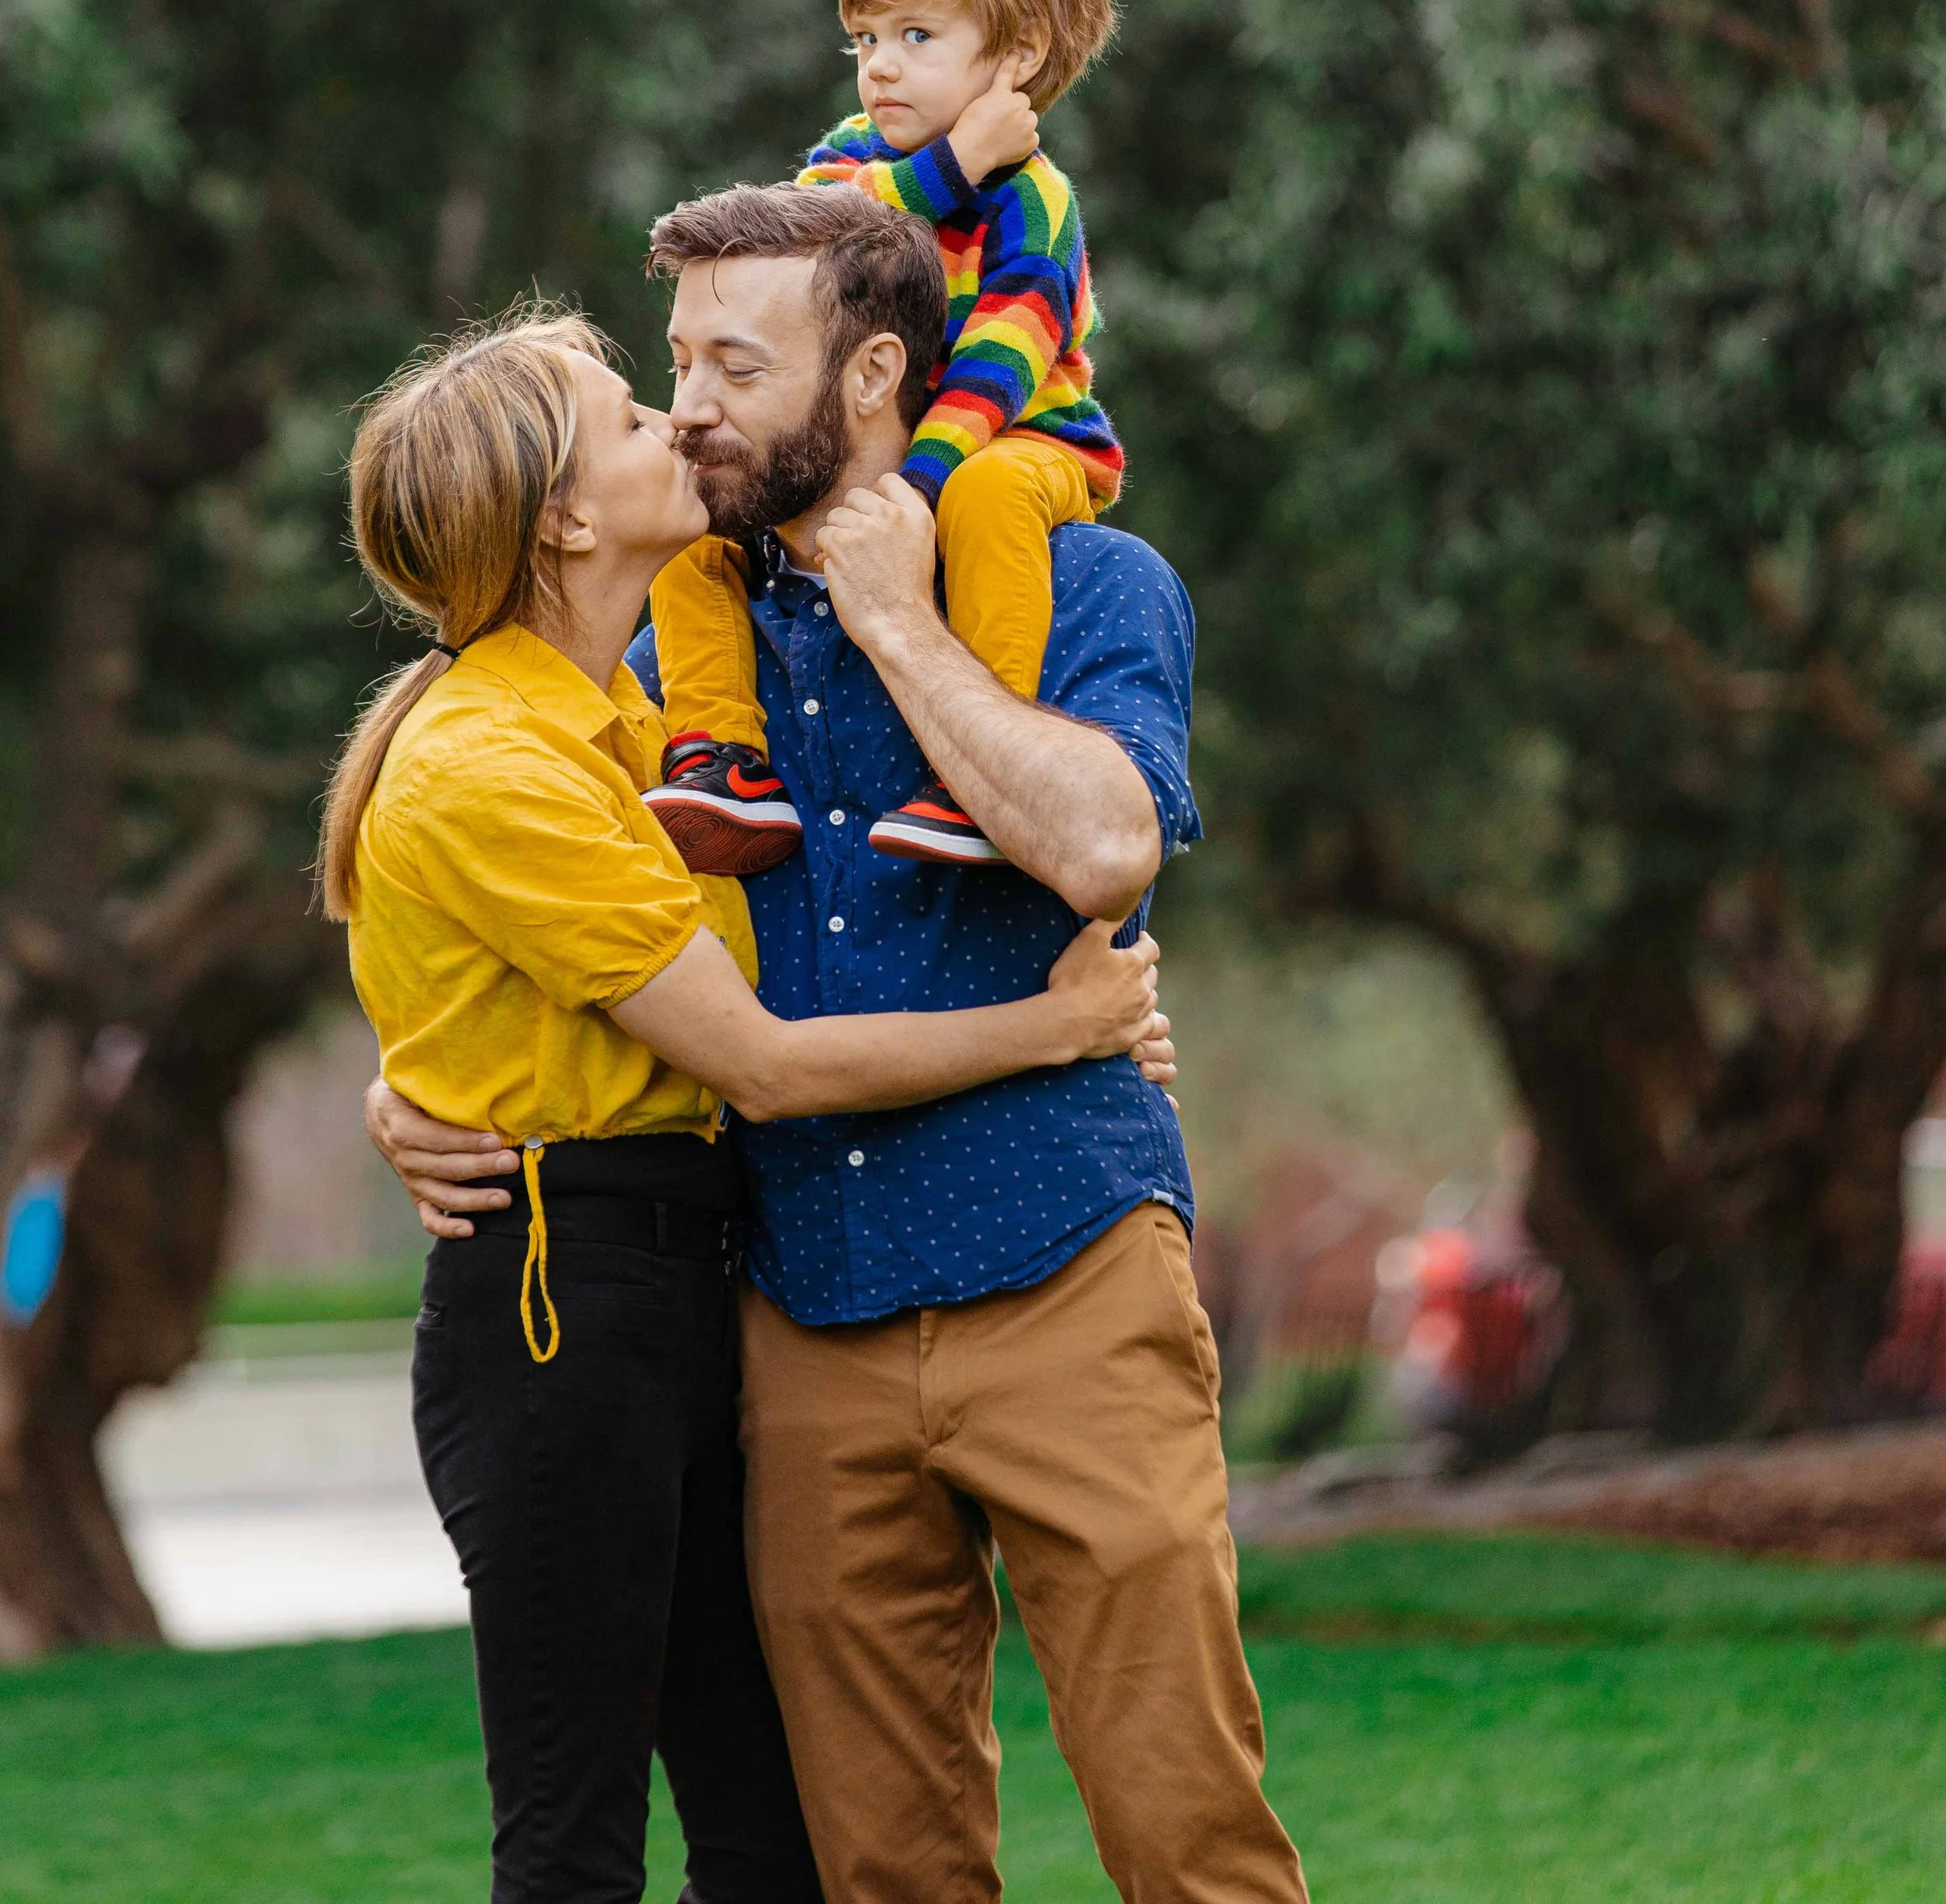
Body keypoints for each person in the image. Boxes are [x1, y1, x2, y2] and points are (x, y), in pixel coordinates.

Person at [370, 187, 1311, 1904]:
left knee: (1186, 1832)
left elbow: (1106, 850)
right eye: (675, 369)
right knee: (875, 1868)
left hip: (1065, 1261)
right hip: (799, 1308)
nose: (692, 410)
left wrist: (898, 616)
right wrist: (415, 1089)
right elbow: (533, 909)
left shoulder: (1089, 581)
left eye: (735, 367)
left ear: (871, 374)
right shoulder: (670, 649)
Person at [644, 0, 1122, 870]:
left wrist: (920, 484)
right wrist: (953, 165)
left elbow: (999, 365)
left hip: (1023, 438)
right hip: (900, 451)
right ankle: (720, 757)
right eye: (864, 39)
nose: (880, 68)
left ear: (1019, 55)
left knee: (990, 500)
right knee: (693, 522)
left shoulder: (1035, 204)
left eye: (915, 36)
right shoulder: (852, 157)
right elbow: (809, 241)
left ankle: (973, 770)